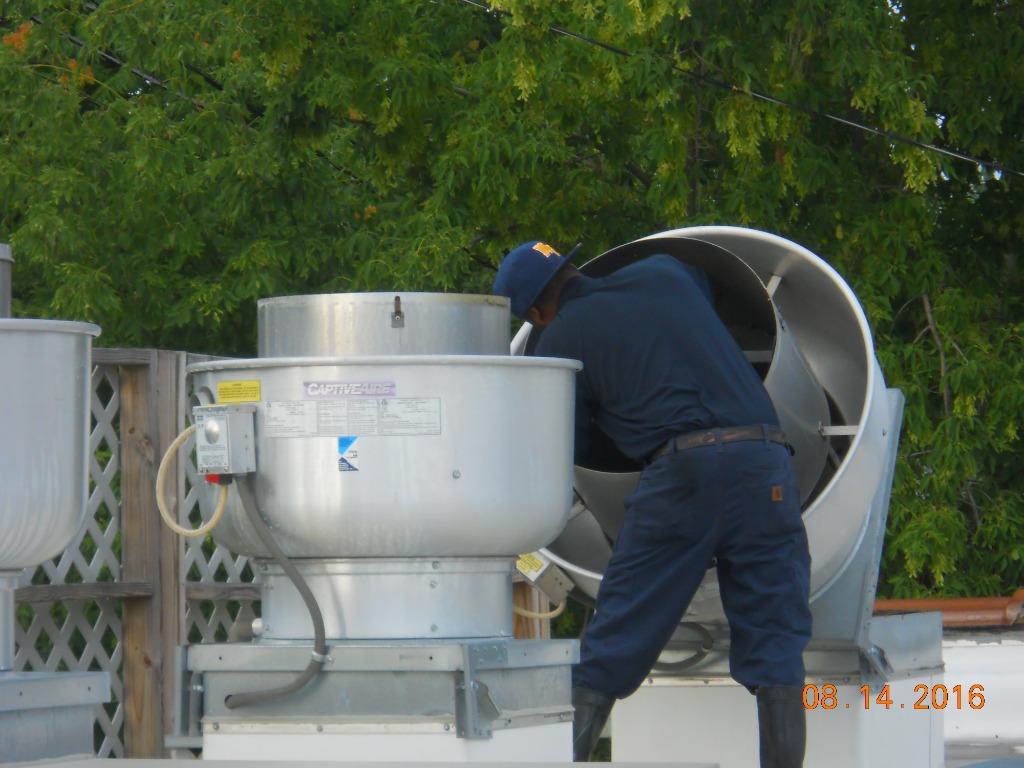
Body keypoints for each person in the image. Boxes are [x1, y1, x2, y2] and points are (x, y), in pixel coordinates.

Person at [493, 240, 813, 767]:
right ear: (570, 266)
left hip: (684, 476)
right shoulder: (666, 271)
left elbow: (572, 446)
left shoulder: (560, 340)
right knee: (777, 649)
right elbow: (708, 298)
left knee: (614, 644)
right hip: (767, 464)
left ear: (534, 312)